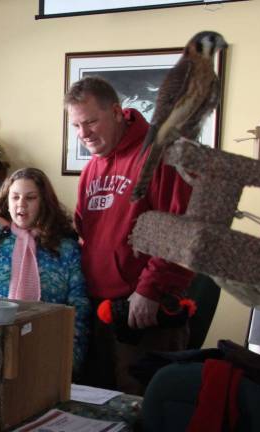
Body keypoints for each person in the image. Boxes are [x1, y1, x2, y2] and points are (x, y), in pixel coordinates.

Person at [65, 76, 194, 394]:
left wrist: (150, 290)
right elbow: (86, 233)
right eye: (76, 126)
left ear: (117, 112)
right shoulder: (92, 169)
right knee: (94, 405)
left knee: (140, 409)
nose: (84, 134)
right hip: (98, 310)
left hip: (144, 311)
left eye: (91, 122)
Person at [0, 167, 90, 375]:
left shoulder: (65, 246)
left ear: (43, 202)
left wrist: (71, 358)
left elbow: (79, 306)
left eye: (30, 198)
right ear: (6, 201)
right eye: (15, 197)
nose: (21, 204)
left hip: (49, 347)